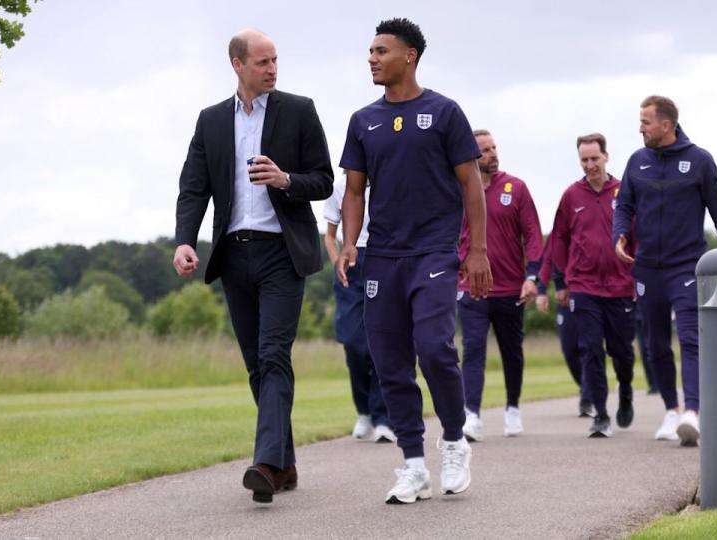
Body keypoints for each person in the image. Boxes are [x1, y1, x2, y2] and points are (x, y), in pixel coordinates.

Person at [172, 28, 333, 503]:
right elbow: (193, 187)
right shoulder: (211, 121)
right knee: (255, 367)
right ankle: (285, 464)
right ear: (237, 65)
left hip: (283, 253)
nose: (272, 69)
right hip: (233, 254)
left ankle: (264, 463)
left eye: (276, 61)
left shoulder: (299, 111)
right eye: (262, 62)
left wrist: (285, 180)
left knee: (272, 356)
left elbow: (324, 179)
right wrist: (184, 240)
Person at [336, 18, 492, 504]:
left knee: (434, 348)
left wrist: (478, 250)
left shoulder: (444, 113)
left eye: (381, 51)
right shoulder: (364, 121)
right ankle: (411, 464)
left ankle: (453, 440)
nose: (372, 58)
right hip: (382, 256)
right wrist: (348, 243)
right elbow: (356, 189)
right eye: (370, 51)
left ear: (410, 55)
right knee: (390, 363)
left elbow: (471, 183)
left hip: (434, 251)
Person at [613, 95, 717, 446]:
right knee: (655, 344)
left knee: (689, 337)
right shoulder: (636, 161)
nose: (640, 128)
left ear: (666, 125)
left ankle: (692, 413)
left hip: (687, 265)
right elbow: (623, 205)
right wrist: (619, 235)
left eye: (646, 122)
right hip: (646, 269)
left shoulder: (699, 161)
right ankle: (671, 410)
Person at [457, 129, 543, 441]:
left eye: (494, 147)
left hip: (510, 287)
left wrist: (532, 276)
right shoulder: (459, 190)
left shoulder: (516, 188)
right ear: (472, 155)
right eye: (485, 150)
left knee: (511, 351)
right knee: (473, 349)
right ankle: (472, 415)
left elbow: (533, 234)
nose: (493, 153)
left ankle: (512, 408)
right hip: (471, 287)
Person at [550, 133, 636, 438]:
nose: (590, 165)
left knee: (621, 351)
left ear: (606, 157)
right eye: (584, 160)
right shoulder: (571, 196)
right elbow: (558, 239)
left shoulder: (625, 192)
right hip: (583, 285)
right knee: (590, 350)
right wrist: (561, 281)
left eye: (594, 159)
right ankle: (600, 413)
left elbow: (640, 235)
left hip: (621, 285)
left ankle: (625, 388)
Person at [323, 173, 395, 443]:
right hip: (350, 266)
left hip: (382, 259)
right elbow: (330, 236)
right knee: (354, 344)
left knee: (381, 343)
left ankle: (382, 418)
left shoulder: (386, 181)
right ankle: (363, 410)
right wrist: (337, 262)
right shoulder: (339, 187)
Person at [536, 249, 593, 417]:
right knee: (569, 351)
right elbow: (547, 262)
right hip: (565, 302)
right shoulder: (557, 234)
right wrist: (541, 290)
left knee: (588, 349)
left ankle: (587, 398)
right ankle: (586, 387)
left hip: (589, 297)